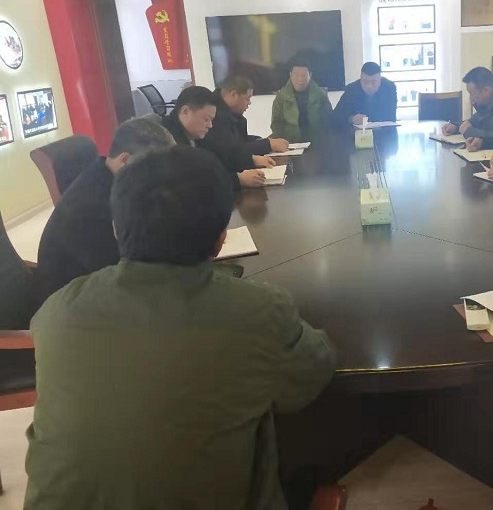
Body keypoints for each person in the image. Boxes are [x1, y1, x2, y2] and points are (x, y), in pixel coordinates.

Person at [25, 147, 336, 509]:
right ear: (221, 239)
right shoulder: (258, 312)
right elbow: (312, 373)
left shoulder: (56, 312)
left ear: (116, 229)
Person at [35, 118, 175, 302]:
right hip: (75, 300)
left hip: (103, 282)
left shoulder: (109, 176)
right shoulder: (91, 210)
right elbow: (125, 273)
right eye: (155, 169)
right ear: (125, 160)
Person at [162, 86, 269, 188]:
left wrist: (250, 160)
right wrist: (238, 180)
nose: (210, 125)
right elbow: (193, 182)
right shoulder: (167, 141)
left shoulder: (192, 134)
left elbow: (221, 154)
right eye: (206, 119)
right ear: (185, 111)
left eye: (211, 120)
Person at [208, 73, 290, 155]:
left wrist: (263, 141)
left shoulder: (234, 115)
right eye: (247, 99)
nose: (249, 103)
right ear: (233, 94)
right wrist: (269, 145)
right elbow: (233, 151)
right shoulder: (213, 115)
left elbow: (240, 141)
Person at [440, 66, 493, 141]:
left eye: (472, 93)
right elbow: (472, 122)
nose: (471, 98)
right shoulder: (485, 105)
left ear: (486, 90)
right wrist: (456, 127)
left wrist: (469, 132)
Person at [271, 60, 333, 142]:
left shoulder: (320, 96)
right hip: (289, 143)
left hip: (317, 142)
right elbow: (276, 124)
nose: (300, 79)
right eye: (296, 75)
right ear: (290, 75)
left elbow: (329, 121)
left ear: (310, 75)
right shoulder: (281, 97)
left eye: (304, 75)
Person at [332, 61, 397, 125]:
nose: (369, 86)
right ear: (360, 78)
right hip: (356, 131)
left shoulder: (389, 88)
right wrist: (352, 119)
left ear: (380, 79)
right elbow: (336, 116)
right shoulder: (351, 89)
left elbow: (391, 117)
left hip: (384, 129)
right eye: (365, 81)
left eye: (374, 82)